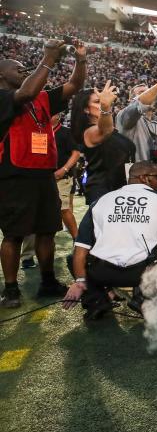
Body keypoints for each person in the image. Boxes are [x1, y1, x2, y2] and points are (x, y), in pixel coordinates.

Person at [0, 40, 88, 308]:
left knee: (47, 230)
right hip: (15, 175)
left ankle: (48, 280)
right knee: (14, 234)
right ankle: (11, 288)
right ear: (1, 74)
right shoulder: (4, 96)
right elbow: (24, 94)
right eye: (17, 68)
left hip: (43, 174)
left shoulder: (41, 97)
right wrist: (47, 59)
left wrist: (81, 60)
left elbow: (75, 86)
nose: (24, 70)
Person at [63, 162, 157, 319]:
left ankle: (96, 301)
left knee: (72, 258)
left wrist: (80, 282)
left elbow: (81, 248)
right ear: (144, 178)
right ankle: (144, 298)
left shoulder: (102, 200)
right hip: (142, 274)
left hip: (101, 272)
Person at [70, 81, 136, 205]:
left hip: (121, 190)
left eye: (101, 101)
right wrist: (105, 106)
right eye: (97, 102)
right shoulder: (89, 132)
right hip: (103, 192)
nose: (100, 104)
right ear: (85, 109)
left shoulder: (110, 129)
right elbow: (106, 130)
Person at [115, 64, 157, 164]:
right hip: (134, 177)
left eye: (148, 91)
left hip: (156, 176)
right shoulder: (124, 115)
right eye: (141, 93)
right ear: (131, 100)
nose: (149, 94)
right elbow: (140, 103)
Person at [52, 113, 81, 240]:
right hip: (42, 176)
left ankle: (78, 238)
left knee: (64, 208)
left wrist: (64, 169)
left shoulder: (65, 132)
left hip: (61, 177)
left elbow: (76, 153)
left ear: (58, 116)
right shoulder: (40, 131)